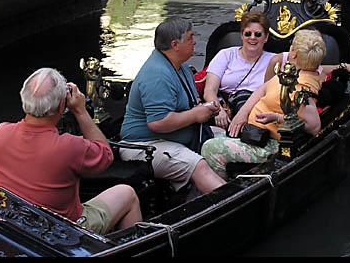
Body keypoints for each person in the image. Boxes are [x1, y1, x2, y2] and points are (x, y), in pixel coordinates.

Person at [0, 67, 142, 235]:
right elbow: (105, 155)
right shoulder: (69, 147)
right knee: (127, 193)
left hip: (15, 218)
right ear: (62, 104)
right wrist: (81, 111)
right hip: (61, 229)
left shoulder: (0, 132)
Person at [118, 18, 226, 194]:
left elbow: (189, 104)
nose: (195, 42)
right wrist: (196, 114)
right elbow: (158, 122)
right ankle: (225, 202)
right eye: (190, 38)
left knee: (224, 137)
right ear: (175, 44)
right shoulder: (157, 74)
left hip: (175, 137)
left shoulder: (180, 67)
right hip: (142, 146)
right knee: (199, 166)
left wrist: (205, 108)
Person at [201, 29, 325, 179]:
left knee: (209, 148)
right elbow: (262, 89)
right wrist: (242, 114)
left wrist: (276, 117)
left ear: (294, 55)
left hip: (269, 146)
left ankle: (222, 188)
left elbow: (314, 126)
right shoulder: (292, 74)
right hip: (253, 132)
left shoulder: (303, 88)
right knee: (204, 132)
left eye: (291, 46)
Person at [203, 11, 276, 130]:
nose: (252, 38)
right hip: (224, 113)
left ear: (266, 37)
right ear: (242, 35)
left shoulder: (274, 60)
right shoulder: (225, 55)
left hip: (257, 116)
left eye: (257, 34)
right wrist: (218, 111)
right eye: (248, 34)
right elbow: (209, 91)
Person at [263, 28, 350, 84]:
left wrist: (345, 66)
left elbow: (323, 69)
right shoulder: (277, 61)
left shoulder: (315, 71)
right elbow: (264, 91)